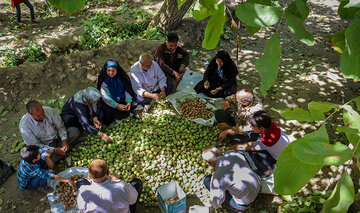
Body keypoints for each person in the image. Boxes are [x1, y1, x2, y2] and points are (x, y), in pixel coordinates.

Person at [225, 111, 291, 176]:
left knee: (252, 153)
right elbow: (247, 128)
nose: (251, 128)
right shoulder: (269, 124)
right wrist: (227, 132)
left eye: (253, 127)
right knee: (252, 134)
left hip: (278, 157)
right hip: (281, 147)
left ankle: (266, 172)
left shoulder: (268, 140)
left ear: (261, 129)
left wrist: (227, 148)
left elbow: (246, 147)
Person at [202, 147, 261, 211]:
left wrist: (215, 204)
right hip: (259, 188)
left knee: (207, 180)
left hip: (245, 203)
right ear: (220, 152)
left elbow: (216, 204)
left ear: (209, 163)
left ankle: (232, 207)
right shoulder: (232, 153)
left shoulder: (217, 177)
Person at [76, 158, 142, 213]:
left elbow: (81, 208)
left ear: (89, 176)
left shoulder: (83, 192)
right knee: (137, 182)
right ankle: (132, 210)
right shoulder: (122, 186)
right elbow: (133, 200)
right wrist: (117, 181)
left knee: (80, 182)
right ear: (108, 172)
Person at [97, 60, 139, 124]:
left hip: (123, 99)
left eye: (113, 71)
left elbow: (127, 90)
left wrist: (128, 101)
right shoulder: (104, 81)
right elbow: (104, 96)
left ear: (117, 70)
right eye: (109, 70)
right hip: (111, 101)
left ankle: (127, 111)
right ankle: (124, 115)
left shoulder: (122, 78)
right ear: (106, 70)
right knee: (105, 109)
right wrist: (116, 105)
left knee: (133, 102)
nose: (111, 73)